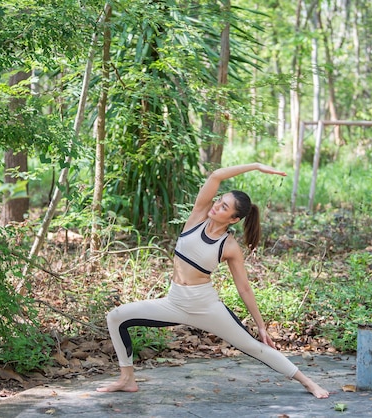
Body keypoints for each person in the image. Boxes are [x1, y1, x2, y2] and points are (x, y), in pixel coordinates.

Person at [96, 163, 329, 399]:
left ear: (234, 219)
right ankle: (127, 379)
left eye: (224, 207)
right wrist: (256, 166)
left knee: (253, 347)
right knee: (115, 317)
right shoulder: (198, 216)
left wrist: (260, 325)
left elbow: (244, 287)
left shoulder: (229, 246)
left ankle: (308, 382)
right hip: (174, 302)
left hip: (205, 306)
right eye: (219, 201)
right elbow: (216, 175)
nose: (217, 206)